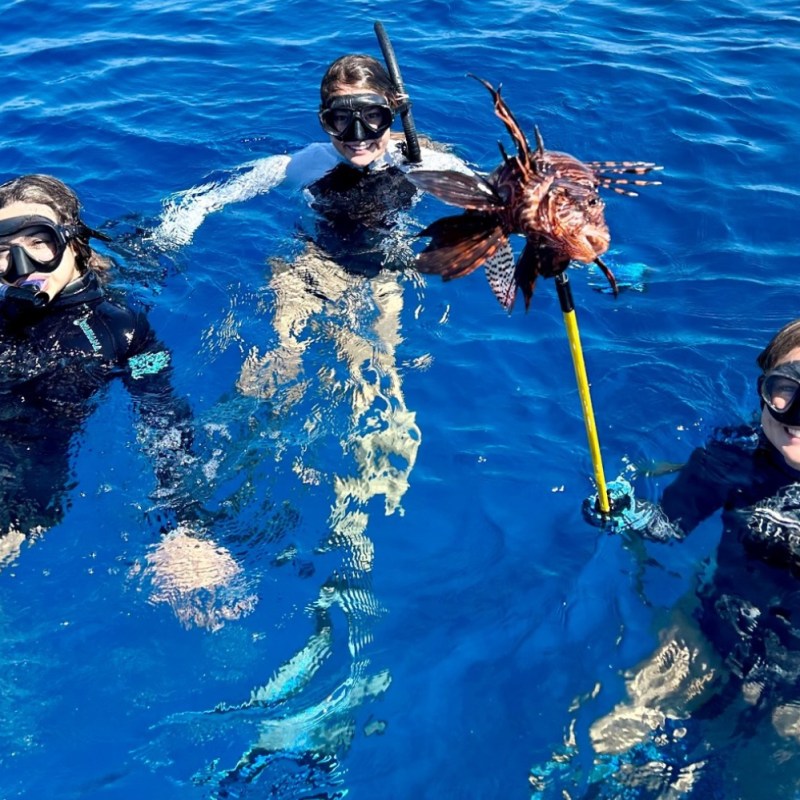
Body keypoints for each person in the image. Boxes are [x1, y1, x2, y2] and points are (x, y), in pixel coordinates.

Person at [556, 318, 800, 798]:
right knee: (612, 741)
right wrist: (629, 513)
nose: (798, 414)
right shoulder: (730, 458)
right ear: (763, 389)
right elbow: (669, 526)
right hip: (710, 628)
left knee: (759, 776)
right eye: (786, 389)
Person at [0, 174, 253, 629]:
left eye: (38, 242)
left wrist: (187, 525)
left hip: (22, 480)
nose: (20, 266)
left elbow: (162, 417)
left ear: (72, 241)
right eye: (2, 249)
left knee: (154, 251)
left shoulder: (122, 332)